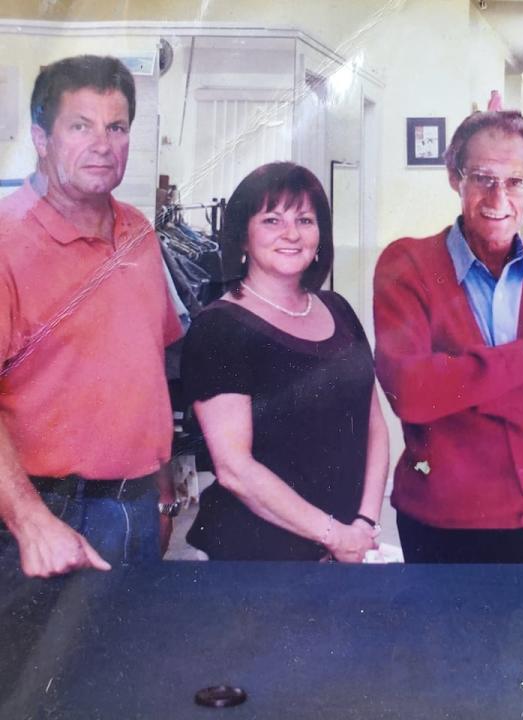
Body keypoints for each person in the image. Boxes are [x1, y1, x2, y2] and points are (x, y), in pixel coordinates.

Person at [373, 110, 523, 564]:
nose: (498, 197)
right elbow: (410, 391)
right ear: (454, 178)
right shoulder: (405, 264)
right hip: (445, 521)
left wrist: (457, 385)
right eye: (483, 177)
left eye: (515, 181)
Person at [0, 55, 182, 578]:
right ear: (40, 137)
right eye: (80, 126)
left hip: (137, 506)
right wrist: (30, 520)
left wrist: (163, 492)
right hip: (48, 514)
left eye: (116, 127)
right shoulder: (10, 244)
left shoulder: (139, 232)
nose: (103, 144)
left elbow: (147, 373)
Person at [180, 162, 387, 562]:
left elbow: (373, 422)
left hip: (347, 544)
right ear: (242, 236)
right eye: (272, 220)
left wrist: (364, 523)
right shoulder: (219, 328)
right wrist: (335, 536)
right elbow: (235, 469)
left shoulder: (338, 308)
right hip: (257, 555)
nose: (291, 234)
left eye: (305, 220)